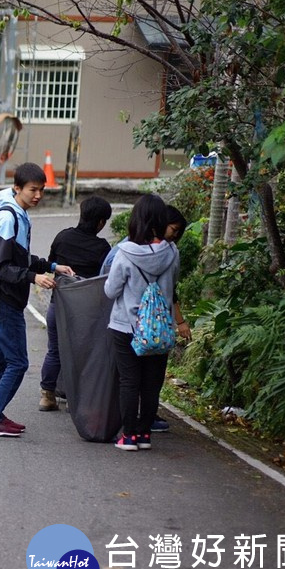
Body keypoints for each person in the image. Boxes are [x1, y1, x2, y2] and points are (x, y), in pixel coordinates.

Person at [0, 163, 74, 438]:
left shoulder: (17, 214)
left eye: (42, 190)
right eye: (33, 190)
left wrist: (53, 266)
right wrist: (35, 278)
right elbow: (1, 267)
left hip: (9, 297)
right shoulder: (8, 218)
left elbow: (20, 258)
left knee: (0, 360)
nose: (38, 195)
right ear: (17, 188)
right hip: (6, 298)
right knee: (18, 362)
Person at [104, 193, 181, 451]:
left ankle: (129, 436)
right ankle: (145, 433)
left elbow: (110, 291)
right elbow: (173, 286)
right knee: (152, 384)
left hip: (127, 327)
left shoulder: (125, 253)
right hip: (160, 329)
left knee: (129, 381)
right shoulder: (172, 253)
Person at [39, 196, 112, 411]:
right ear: (100, 222)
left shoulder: (63, 237)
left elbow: (52, 264)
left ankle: (47, 395)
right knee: (83, 353)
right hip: (86, 311)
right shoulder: (102, 247)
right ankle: (75, 398)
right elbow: (104, 278)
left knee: (54, 351)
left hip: (58, 306)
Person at [149, 205, 192, 434]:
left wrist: (181, 321)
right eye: (172, 229)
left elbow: (172, 289)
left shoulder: (130, 247)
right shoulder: (169, 251)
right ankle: (145, 416)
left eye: (177, 232)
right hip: (156, 320)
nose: (174, 235)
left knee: (152, 372)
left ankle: (144, 415)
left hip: (150, 319)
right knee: (150, 371)